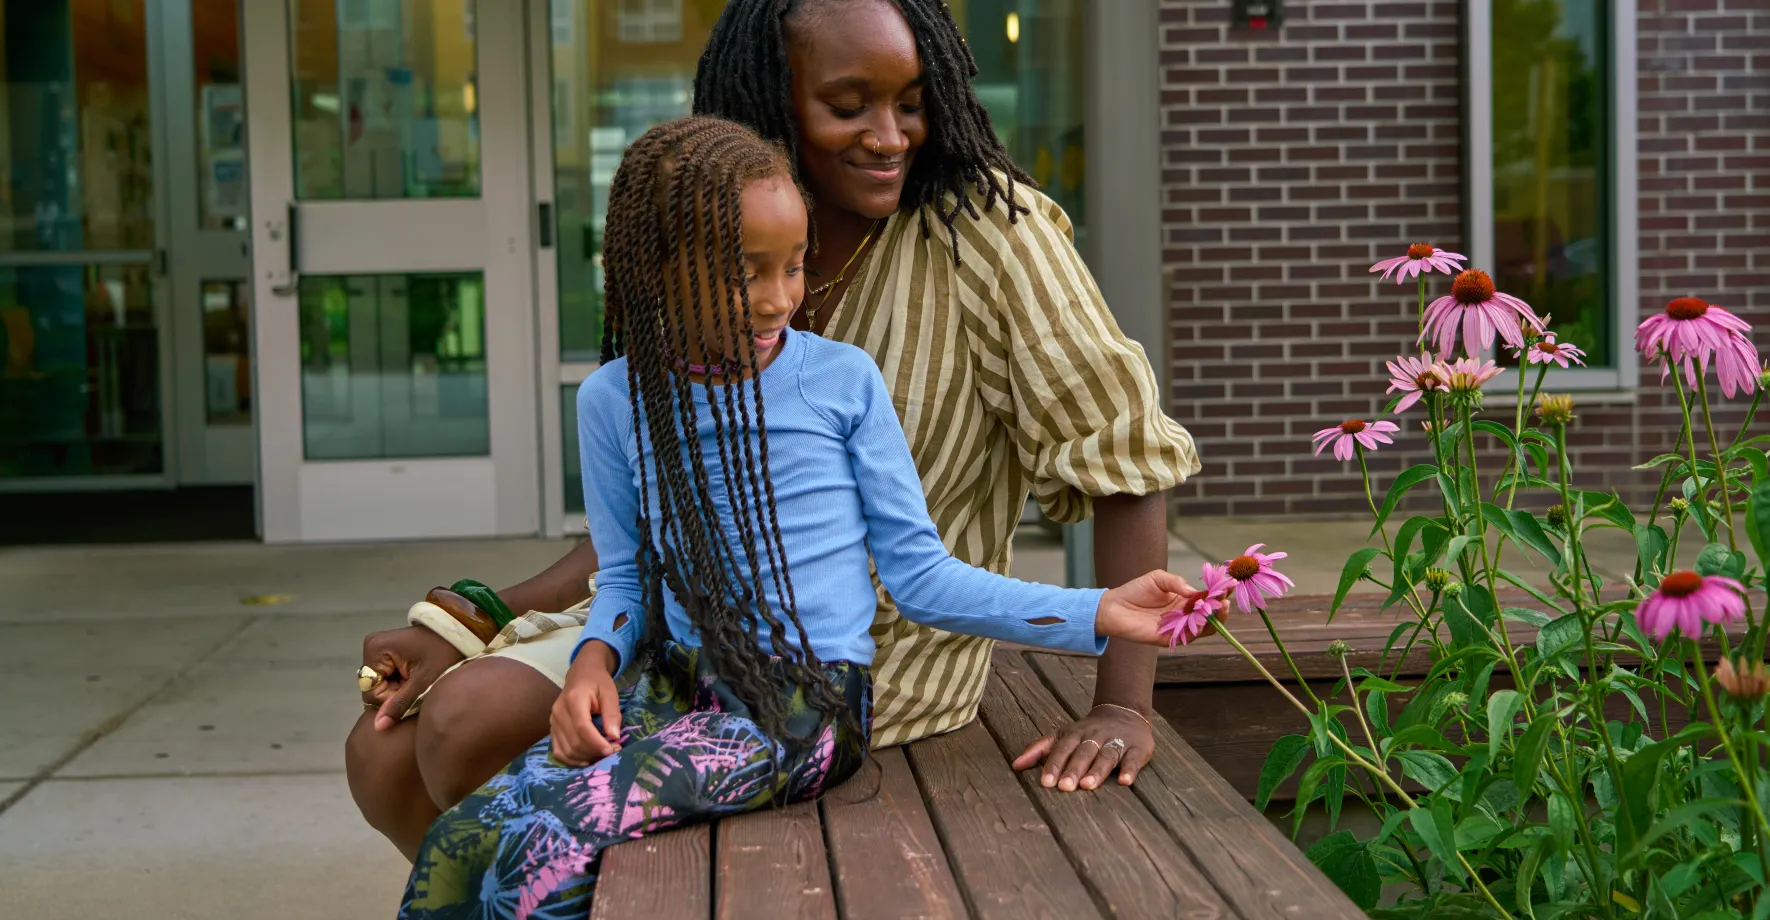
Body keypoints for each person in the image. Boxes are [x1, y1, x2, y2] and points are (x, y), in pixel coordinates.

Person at [347, 0, 1200, 861]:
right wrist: (476, 620)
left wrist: (1123, 705)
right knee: (382, 752)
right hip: (681, 638)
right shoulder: (711, 232)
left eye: (911, 100)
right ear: (770, 101)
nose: (890, 135)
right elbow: (650, 525)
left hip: (849, 662)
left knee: (465, 727)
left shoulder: (987, 236)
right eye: (847, 104)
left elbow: (1120, 457)